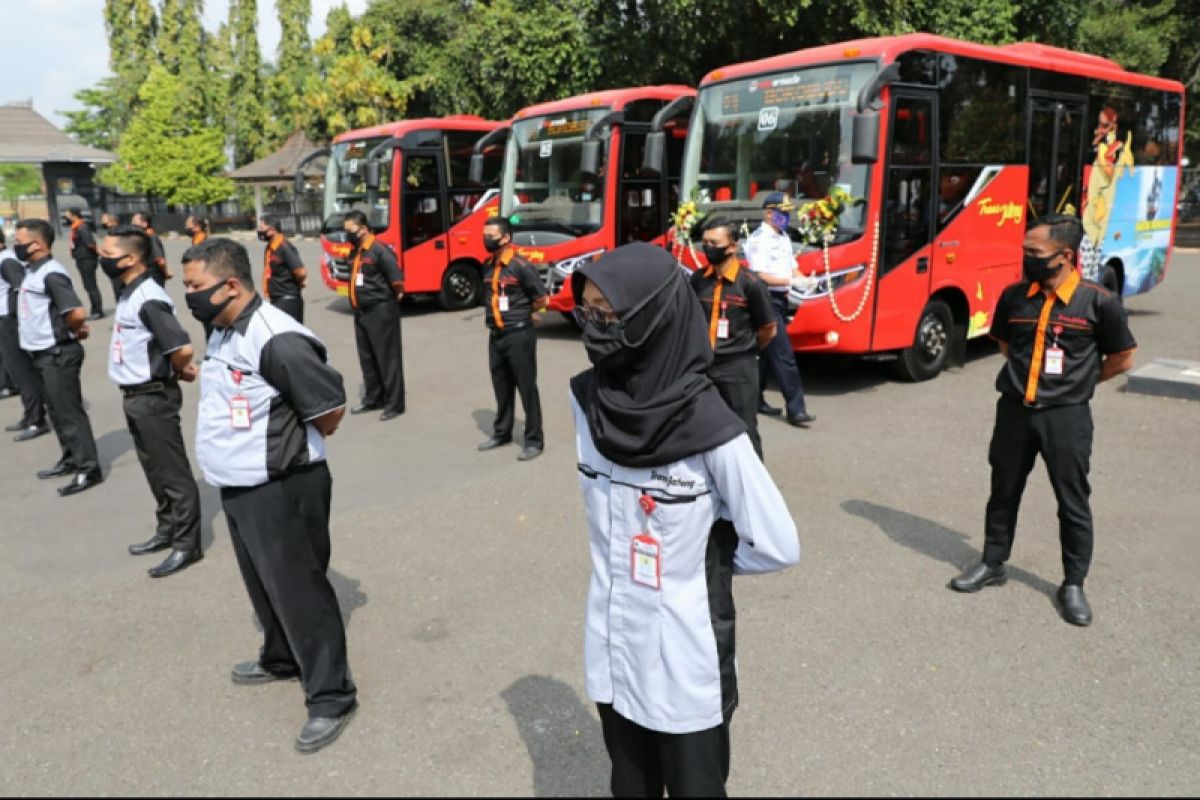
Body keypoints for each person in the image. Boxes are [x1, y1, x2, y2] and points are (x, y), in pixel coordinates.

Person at [569, 242, 800, 797]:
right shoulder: (587, 402)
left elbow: (777, 544)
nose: (593, 327)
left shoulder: (712, 426)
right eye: (587, 312)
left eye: (608, 315)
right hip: (612, 639)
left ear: (651, 321)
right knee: (629, 784)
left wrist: (703, 560)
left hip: (683, 652)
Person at [182, 237, 358, 753]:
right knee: (264, 585)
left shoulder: (276, 338)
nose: (188, 297)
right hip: (240, 486)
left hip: (283, 485)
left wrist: (281, 453)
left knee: (301, 591)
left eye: (195, 287)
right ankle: (280, 656)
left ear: (229, 285)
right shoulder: (221, 327)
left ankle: (331, 694)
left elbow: (328, 410)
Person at [950, 215, 1137, 627]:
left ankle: (1073, 584)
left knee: (1072, 502)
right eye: (1025, 252)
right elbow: (1004, 342)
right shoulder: (1016, 296)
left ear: (1065, 257)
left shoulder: (1098, 301)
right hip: (1015, 412)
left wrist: (1077, 384)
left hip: (1066, 418)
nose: (1026, 259)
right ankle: (993, 562)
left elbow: (1121, 358)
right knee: (1003, 491)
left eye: (1034, 253)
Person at [101, 226, 204, 578]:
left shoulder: (149, 297)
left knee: (172, 472)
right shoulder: (130, 292)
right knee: (153, 469)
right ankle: (167, 529)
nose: (102, 260)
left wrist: (181, 369)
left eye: (108, 255)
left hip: (152, 396)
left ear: (130, 259)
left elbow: (181, 347)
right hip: (134, 397)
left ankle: (187, 544)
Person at [13, 219, 103, 496]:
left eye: (20, 242)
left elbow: (75, 312)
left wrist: (74, 331)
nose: (16, 246)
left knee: (69, 412)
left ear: (37, 244)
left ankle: (88, 468)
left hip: (58, 353)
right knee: (56, 410)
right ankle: (70, 458)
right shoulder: (34, 270)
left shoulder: (52, 273)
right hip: (42, 353)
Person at [690, 218, 776, 460]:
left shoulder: (751, 284)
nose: (708, 248)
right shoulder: (698, 280)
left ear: (732, 246)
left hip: (738, 368)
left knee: (743, 428)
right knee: (702, 426)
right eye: (705, 242)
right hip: (703, 366)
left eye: (714, 243)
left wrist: (745, 351)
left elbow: (768, 329)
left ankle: (754, 489)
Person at [477, 216, 547, 461]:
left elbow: (540, 297)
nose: (486, 240)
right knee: (502, 387)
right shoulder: (487, 264)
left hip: (519, 334)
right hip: (495, 335)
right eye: (484, 235)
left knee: (526, 388)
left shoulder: (520, 266)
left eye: (491, 236)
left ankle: (534, 440)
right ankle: (502, 432)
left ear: (505, 238)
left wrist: (527, 315)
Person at [743, 193, 815, 427]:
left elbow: (793, 269)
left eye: (787, 213)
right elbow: (760, 275)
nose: (786, 217)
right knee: (784, 355)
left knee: (765, 355)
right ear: (768, 213)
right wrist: (790, 281)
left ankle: (755, 400)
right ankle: (796, 409)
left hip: (781, 300)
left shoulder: (783, 237)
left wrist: (805, 280)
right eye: (782, 213)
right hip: (766, 300)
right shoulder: (758, 240)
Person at [343, 210, 405, 420]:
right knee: (367, 358)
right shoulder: (356, 250)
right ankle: (373, 398)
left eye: (350, 231)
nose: (347, 235)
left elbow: (397, 281)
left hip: (381, 310)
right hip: (361, 312)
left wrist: (388, 302)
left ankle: (394, 404)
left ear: (363, 228)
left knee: (387, 358)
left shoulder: (379, 250)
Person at [1, 230, 48, 439]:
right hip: (6, 320)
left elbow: (20, 289)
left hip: (9, 322)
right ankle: (30, 415)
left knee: (23, 371)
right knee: (16, 371)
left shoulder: (7, 261)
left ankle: (37, 420)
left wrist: (13, 315)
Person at [258, 214, 307, 323]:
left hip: (288, 301)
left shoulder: (285, 247)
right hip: (276, 301)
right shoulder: (270, 247)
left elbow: (301, 272)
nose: (259, 231)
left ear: (271, 230)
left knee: (291, 336)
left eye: (261, 228)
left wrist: (296, 284)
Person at [63, 208, 104, 320]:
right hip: (81, 259)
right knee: (88, 285)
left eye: (67, 216)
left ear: (74, 216)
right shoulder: (76, 227)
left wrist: (98, 252)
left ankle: (98, 310)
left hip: (87, 259)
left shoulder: (81, 227)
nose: (66, 218)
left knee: (91, 286)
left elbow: (90, 243)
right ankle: (95, 309)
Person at [132, 212, 170, 284]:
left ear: (144, 223)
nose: (132, 226)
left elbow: (160, 260)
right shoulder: (140, 238)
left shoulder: (151, 237)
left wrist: (166, 273)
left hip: (153, 276)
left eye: (134, 223)